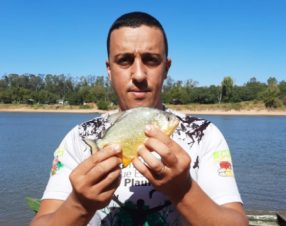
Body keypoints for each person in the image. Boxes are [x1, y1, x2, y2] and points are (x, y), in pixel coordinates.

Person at [30, 11, 248, 226]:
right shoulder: (79, 139)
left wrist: (183, 190)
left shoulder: (204, 135)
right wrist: (79, 204)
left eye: (151, 60)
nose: (139, 75)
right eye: (124, 60)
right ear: (109, 69)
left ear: (166, 68)